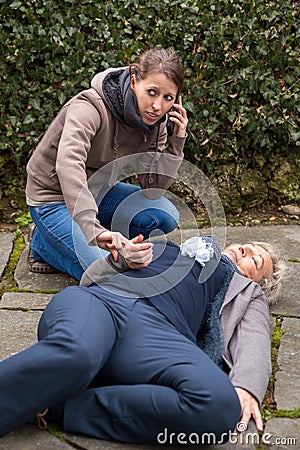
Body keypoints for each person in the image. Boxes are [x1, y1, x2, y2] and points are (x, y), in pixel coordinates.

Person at [0, 235, 285, 444]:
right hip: (102, 303)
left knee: (220, 407)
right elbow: (93, 275)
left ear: (257, 281)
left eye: (255, 259)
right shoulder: (172, 246)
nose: (246, 249)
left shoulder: (245, 290)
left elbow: (256, 335)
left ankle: (59, 406)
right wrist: (122, 257)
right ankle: (52, 382)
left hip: (158, 335)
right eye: (247, 245)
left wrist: (247, 386)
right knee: (78, 353)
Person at [25, 46, 188, 280]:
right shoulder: (89, 108)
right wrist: (93, 228)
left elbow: (153, 190)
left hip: (97, 192)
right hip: (53, 197)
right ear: (134, 82)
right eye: (151, 92)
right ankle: (43, 243)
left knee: (164, 214)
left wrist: (176, 140)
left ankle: (76, 238)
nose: (157, 106)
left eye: (168, 98)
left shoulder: (157, 123)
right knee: (105, 272)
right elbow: (68, 164)